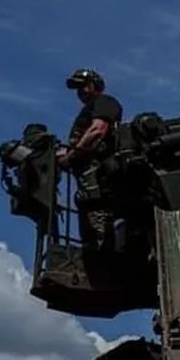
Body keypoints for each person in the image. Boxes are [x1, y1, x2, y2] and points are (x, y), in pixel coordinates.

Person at [61, 68, 123, 252]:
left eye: (84, 86)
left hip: (98, 179)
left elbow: (97, 131)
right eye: (77, 88)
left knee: (100, 223)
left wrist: (71, 156)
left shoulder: (104, 102)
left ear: (95, 85)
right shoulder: (89, 109)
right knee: (89, 222)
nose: (80, 92)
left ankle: (105, 257)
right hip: (87, 184)